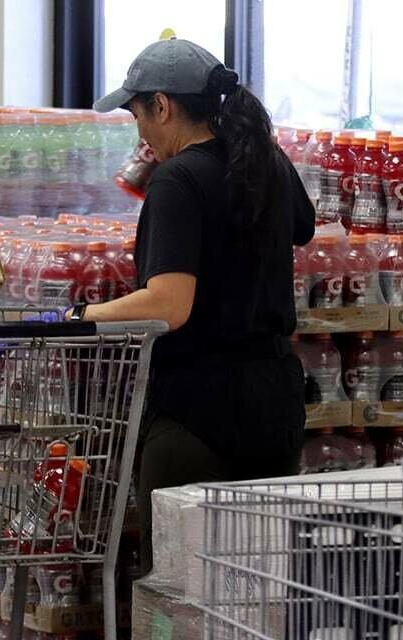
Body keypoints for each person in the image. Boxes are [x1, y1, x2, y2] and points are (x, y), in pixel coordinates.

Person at [70, 38, 315, 574]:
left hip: (199, 418)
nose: (139, 132)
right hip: (275, 407)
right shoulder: (265, 162)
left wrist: (81, 318)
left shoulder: (179, 179)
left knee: (181, 593)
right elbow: (303, 226)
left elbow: (169, 305)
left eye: (137, 114)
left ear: (162, 106)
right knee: (260, 591)